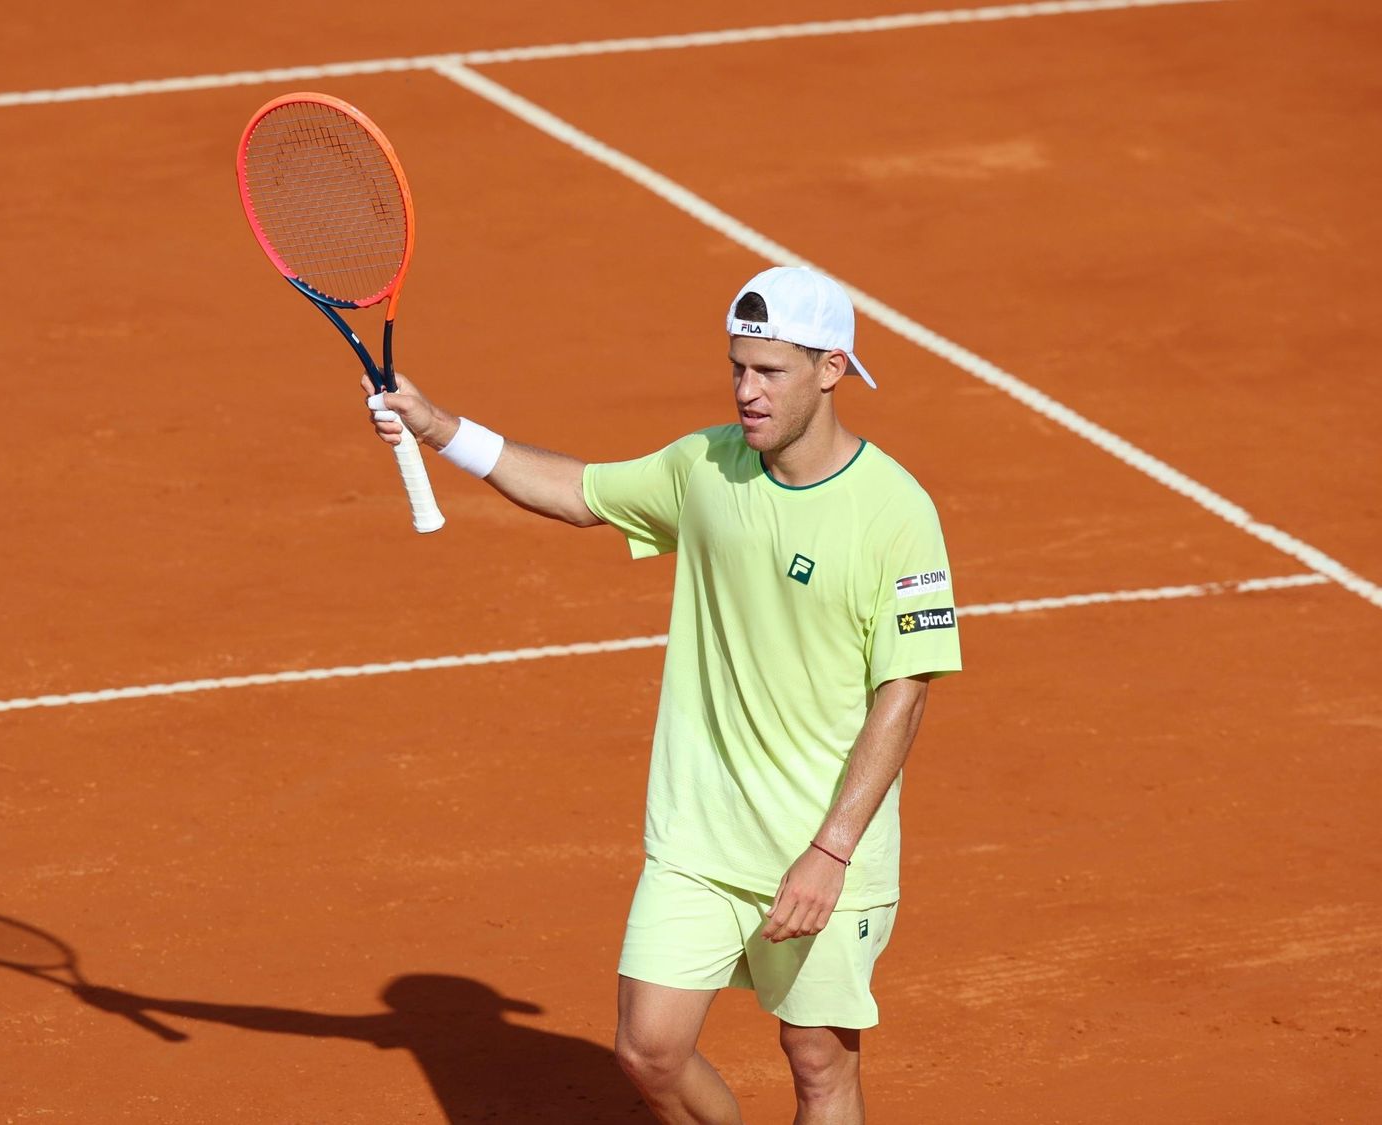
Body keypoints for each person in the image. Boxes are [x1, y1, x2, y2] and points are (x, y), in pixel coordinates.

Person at [366, 265, 962, 1124]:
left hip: (824, 846)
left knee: (818, 1061)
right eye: (738, 366)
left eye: (771, 371)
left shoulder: (895, 512)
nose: (746, 390)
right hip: (701, 838)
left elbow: (903, 694)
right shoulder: (708, 467)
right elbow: (578, 493)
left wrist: (829, 851)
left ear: (832, 370)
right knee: (649, 1046)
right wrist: (437, 427)